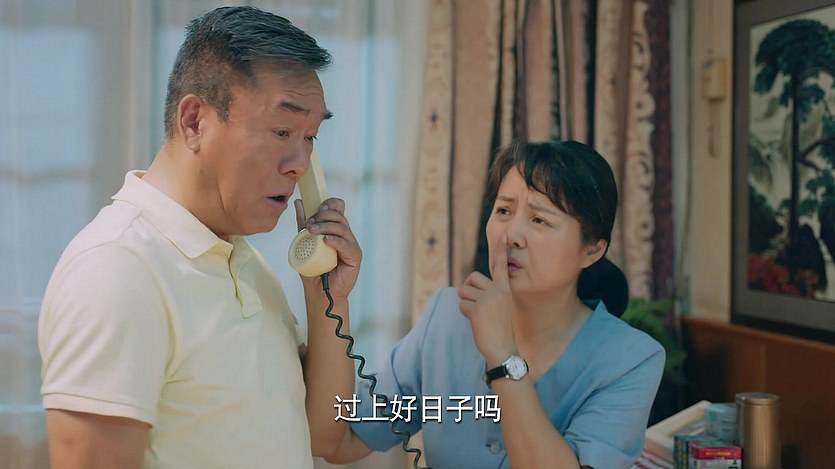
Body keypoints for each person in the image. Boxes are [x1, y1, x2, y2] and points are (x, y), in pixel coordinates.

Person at [38, 6, 360, 468]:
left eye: (310, 137)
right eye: (281, 130)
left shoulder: (242, 260)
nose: (300, 164)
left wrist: (326, 296)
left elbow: (324, 435)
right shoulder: (116, 270)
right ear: (194, 121)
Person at [327, 140, 665, 469]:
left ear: (591, 250)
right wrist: (331, 298)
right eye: (503, 211)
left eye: (539, 220)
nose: (510, 235)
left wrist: (503, 357)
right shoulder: (449, 315)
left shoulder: (631, 360)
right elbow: (340, 440)